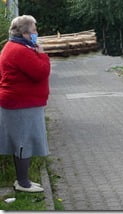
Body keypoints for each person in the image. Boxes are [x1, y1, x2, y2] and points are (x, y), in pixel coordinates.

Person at [0, 15, 50, 192]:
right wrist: (42, 55)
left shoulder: (15, 46)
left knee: (22, 142)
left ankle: (23, 180)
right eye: (35, 29)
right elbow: (40, 72)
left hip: (21, 102)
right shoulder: (19, 50)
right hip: (21, 104)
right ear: (25, 32)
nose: (37, 32)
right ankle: (22, 183)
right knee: (23, 142)